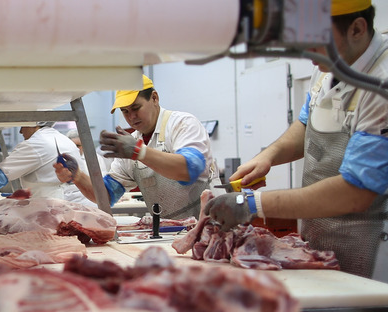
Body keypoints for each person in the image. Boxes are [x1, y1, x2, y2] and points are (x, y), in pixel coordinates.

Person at [205, 0, 388, 283]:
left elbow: (356, 192)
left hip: (372, 247)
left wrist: (253, 203)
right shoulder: (327, 66)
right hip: (322, 239)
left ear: (357, 28)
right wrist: (269, 156)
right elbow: (306, 124)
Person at [55, 75, 221, 219]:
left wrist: (139, 151)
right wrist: (78, 177)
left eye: (136, 108)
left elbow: (189, 169)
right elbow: (106, 195)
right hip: (171, 231)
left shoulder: (182, 124)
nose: (132, 117)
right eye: (125, 111)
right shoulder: (131, 143)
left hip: (212, 224)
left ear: (154, 98)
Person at [0, 122, 87, 201]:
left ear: (33, 123)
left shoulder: (36, 143)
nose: (20, 131)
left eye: (22, 126)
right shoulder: (62, 139)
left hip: (54, 208)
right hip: (77, 204)